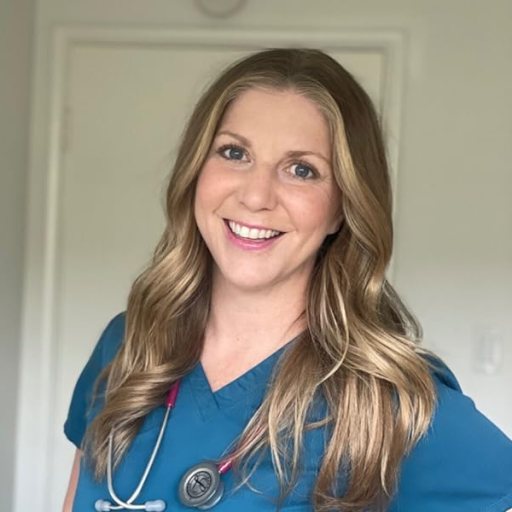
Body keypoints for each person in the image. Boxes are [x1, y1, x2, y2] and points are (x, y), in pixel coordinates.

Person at [63, 48, 512, 512]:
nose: (256, 196)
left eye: (302, 170)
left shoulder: (385, 400)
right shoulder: (128, 344)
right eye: (234, 153)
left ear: (343, 206)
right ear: (196, 170)